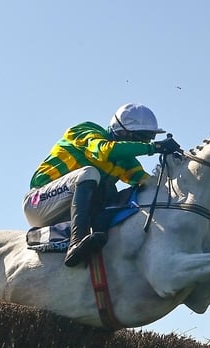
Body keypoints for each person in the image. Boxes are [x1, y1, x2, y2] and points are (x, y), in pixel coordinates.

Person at [23, 103, 181, 267]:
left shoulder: (126, 161)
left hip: (69, 212)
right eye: (142, 137)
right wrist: (155, 147)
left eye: (150, 138)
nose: (146, 142)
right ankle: (76, 242)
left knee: (122, 195)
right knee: (89, 173)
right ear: (123, 132)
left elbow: (148, 183)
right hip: (38, 202)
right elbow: (104, 150)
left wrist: (179, 170)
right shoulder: (86, 130)